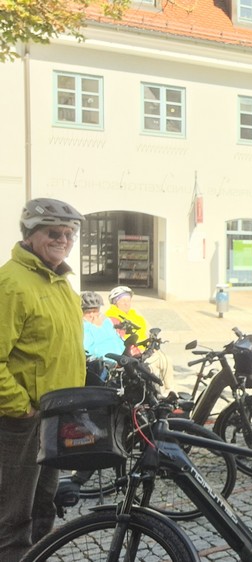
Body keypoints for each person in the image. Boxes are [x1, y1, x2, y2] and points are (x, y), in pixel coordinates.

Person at [0, 197, 86, 559]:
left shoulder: (60, 281)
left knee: (43, 504)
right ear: (30, 235)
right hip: (21, 421)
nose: (63, 240)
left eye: (69, 234)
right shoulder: (11, 283)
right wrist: (21, 408)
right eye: (54, 233)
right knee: (13, 513)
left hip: (54, 416)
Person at [106, 285, 175, 391]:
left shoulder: (134, 316)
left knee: (166, 359)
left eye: (128, 300)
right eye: (123, 301)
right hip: (133, 356)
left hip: (144, 352)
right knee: (154, 366)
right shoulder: (113, 318)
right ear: (115, 303)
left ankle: (170, 392)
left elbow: (143, 333)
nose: (126, 303)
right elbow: (122, 339)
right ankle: (158, 392)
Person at [81, 291, 124, 384]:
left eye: (95, 311)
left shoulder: (106, 321)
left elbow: (117, 340)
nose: (92, 315)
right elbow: (86, 347)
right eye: (88, 312)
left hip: (120, 362)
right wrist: (94, 327)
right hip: (101, 368)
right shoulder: (81, 326)